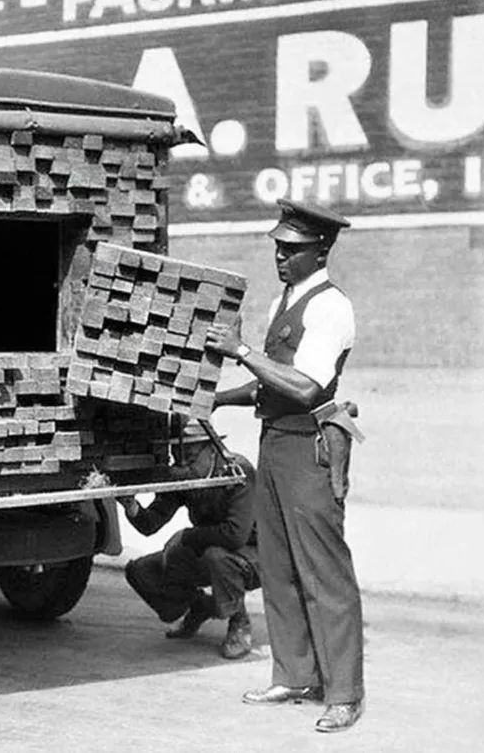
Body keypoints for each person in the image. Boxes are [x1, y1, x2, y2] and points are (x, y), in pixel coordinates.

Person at [206, 198, 365, 733]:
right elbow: (270, 380)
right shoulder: (285, 301)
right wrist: (219, 399)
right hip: (274, 443)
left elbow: (305, 384)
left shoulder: (330, 307)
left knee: (325, 573)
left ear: (320, 249)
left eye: (292, 249)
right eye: (277, 246)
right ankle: (295, 674)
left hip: (309, 449)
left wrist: (242, 349)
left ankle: (343, 692)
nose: (280, 256)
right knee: (278, 568)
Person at [119, 420, 259, 660]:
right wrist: (131, 506)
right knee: (142, 570)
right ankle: (200, 606)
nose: (183, 464)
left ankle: (239, 622)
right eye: (177, 458)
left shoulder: (237, 470)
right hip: (212, 552)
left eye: (191, 456)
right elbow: (150, 523)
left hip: (256, 555)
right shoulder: (186, 477)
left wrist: (187, 536)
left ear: (211, 449)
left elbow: (235, 535)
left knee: (216, 556)